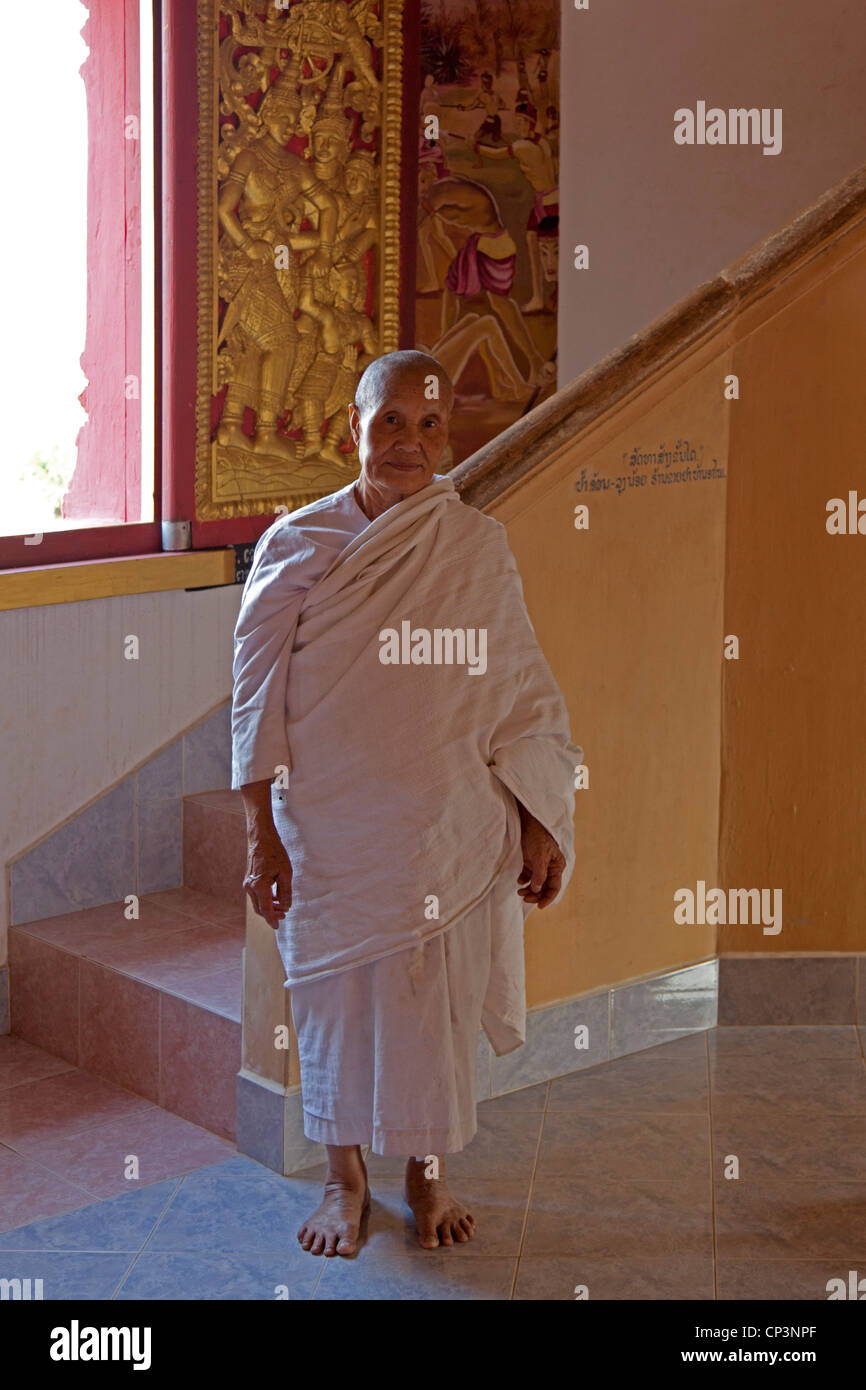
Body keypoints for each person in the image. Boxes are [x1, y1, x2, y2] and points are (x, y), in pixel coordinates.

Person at [231, 350, 580, 1256]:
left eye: (429, 426)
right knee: (333, 1003)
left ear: (447, 438)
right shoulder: (296, 545)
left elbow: (523, 692)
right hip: (331, 831)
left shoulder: (475, 547)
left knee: (434, 1007)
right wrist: (260, 834)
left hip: (445, 829)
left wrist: (541, 816)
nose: (409, 443)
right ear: (355, 428)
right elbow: (253, 697)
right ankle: (342, 1181)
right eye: (391, 422)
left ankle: (428, 1173)